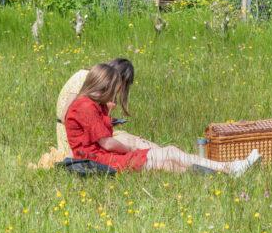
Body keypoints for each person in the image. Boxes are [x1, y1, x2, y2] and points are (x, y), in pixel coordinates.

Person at [64, 64, 261, 175]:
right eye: (115, 87)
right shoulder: (85, 106)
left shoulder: (91, 104)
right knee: (170, 151)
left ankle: (218, 175)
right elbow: (107, 143)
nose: (117, 92)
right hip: (101, 160)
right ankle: (229, 168)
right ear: (104, 85)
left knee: (168, 164)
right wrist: (132, 150)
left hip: (102, 158)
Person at [56, 58, 158, 156]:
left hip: (85, 140)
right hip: (74, 143)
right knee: (129, 140)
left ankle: (159, 152)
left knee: (129, 139)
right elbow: (65, 115)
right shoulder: (85, 77)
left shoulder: (95, 80)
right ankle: (156, 154)